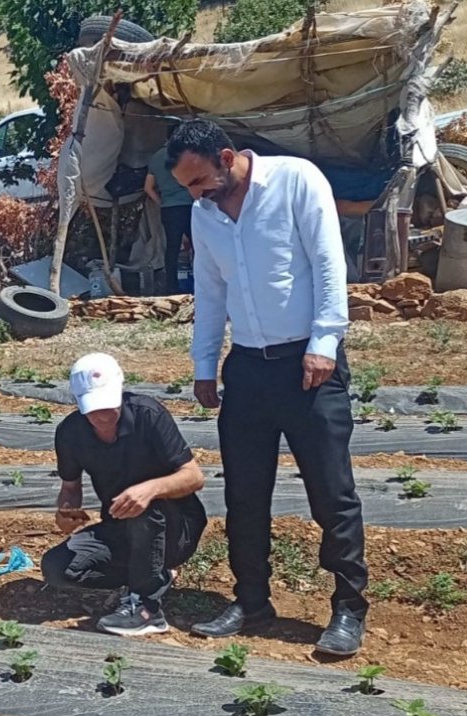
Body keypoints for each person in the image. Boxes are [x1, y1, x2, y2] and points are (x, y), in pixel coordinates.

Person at [168, 118, 368, 656]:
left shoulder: (297, 181)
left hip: (309, 366)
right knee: (245, 494)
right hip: (249, 369)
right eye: (187, 186)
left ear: (228, 157)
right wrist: (205, 364)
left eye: (199, 181)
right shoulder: (203, 213)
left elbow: (329, 265)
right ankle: (251, 601)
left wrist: (324, 343)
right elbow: (209, 292)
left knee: (332, 493)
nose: (195, 194)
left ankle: (349, 608)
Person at [42, 353, 207, 636]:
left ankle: (147, 609)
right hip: (119, 526)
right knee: (57, 568)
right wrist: (66, 512)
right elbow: (70, 488)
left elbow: (194, 477)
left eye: (109, 405)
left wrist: (149, 489)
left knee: (142, 507)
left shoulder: (149, 415)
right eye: (94, 409)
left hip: (176, 527)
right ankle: (153, 576)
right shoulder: (70, 433)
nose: (103, 415)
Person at [145, 133, 194, 294]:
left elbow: (148, 188)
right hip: (189, 206)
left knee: (172, 248)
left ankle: (171, 287)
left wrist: (162, 203)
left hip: (169, 209)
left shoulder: (156, 157)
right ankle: (201, 282)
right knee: (199, 247)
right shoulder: (183, 155)